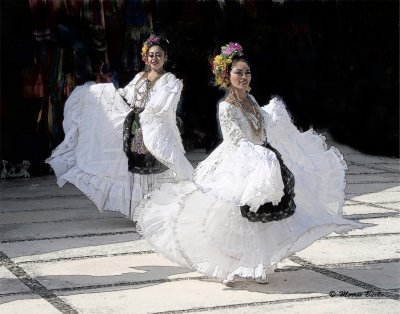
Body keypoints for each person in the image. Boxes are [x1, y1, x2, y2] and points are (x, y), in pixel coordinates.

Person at [134, 43, 362, 285]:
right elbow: (237, 140)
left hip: (264, 161)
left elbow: (263, 128)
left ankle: (261, 263)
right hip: (240, 163)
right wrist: (260, 156)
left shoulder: (251, 100)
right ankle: (227, 266)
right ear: (227, 77)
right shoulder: (226, 106)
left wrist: (275, 117)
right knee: (233, 220)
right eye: (238, 73)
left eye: (247, 72)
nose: (244, 77)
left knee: (265, 221)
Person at [47, 34, 193, 218]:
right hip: (135, 129)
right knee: (136, 171)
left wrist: (145, 120)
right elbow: (127, 94)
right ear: (145, 57)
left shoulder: (170, 81)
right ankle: (143, 210)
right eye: (151, 55)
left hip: (158, 129)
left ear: (165, 57)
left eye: (159, 55)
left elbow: (161, 106)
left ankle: (165, 208)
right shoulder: (140, 76)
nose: (154, 58)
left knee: (159, 167)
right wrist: (105, 94)